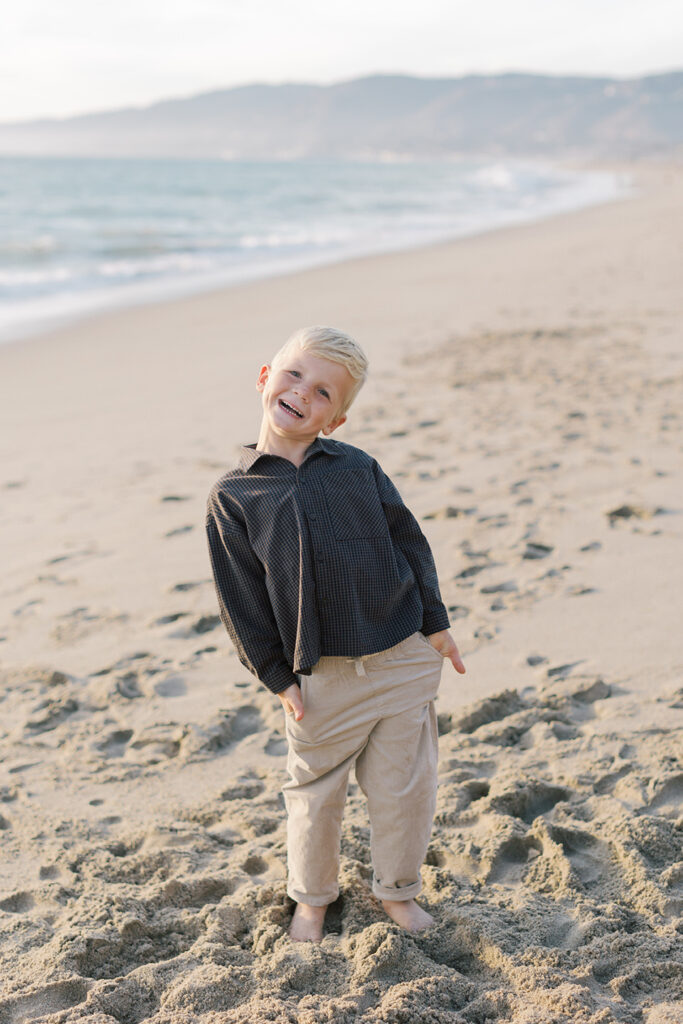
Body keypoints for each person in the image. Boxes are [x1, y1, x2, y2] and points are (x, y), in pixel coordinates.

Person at [205, 325, 466, 943]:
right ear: (267, 377)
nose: (303, 393)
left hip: (401, 654)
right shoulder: (236, 495)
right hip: (318, 675)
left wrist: (436, 621)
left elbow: (409, 540)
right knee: (315, 796)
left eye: (323, 392)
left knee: (405, 788)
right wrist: (277, 678)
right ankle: (313, 900)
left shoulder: (358, 469)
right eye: (294, 375)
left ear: (336, 420)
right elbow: (240, 600)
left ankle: (397, 893)